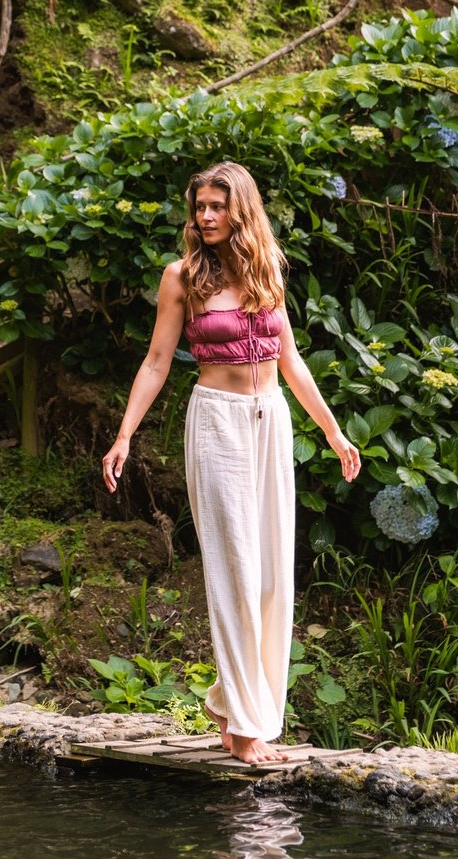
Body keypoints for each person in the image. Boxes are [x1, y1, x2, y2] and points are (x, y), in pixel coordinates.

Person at [101, 161, 361, 764]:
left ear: (241, 209)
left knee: (272, 576)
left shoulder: (267, 272)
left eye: (218, 205)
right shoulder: (180, 278)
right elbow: (157, 362)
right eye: (200, 207)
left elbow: (292, 363)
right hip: (217, 422)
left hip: (271, 421)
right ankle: (246, 728)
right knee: (237, 570)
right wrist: (124, 438)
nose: (207, 216)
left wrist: (334, 433)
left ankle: (232, 703)